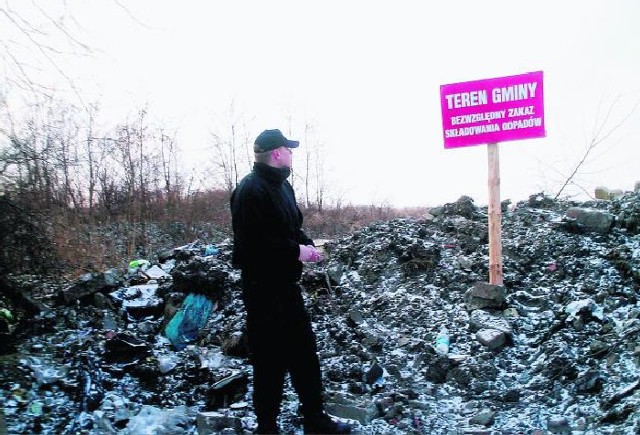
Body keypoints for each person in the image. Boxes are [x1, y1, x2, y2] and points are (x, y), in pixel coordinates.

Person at [230, 129, 352, 434]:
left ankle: (314, 418)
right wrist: (295, 250)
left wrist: (308, 247)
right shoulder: (249, 191)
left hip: (286, 287)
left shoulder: (283, 187)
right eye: (289, 149)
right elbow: (252, 247)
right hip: (262, 290)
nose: (292, 154)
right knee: (269, 360)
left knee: (304, 353)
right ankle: (267, 427)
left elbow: (290, 228)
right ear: (276, 153)